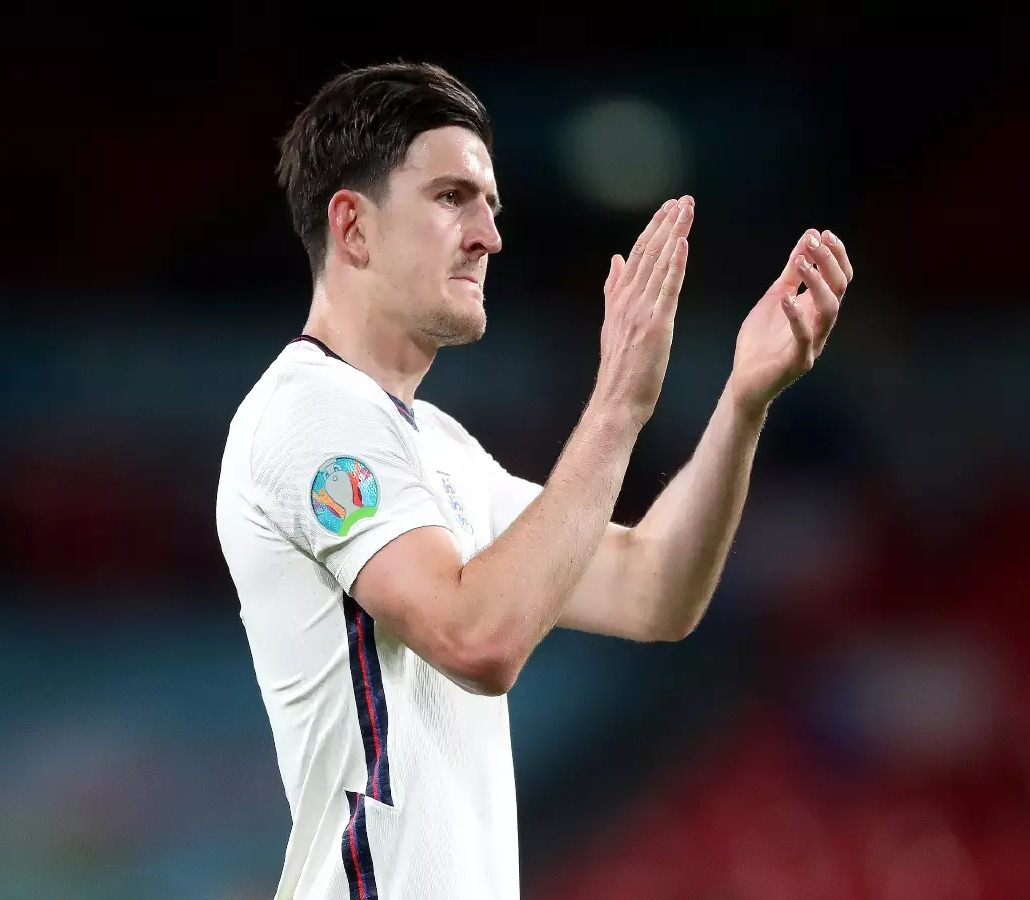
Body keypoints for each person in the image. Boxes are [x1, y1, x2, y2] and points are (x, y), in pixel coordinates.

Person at [215, 61, 852, 900]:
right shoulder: (310, 414)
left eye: (491, 206)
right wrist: (620, 401)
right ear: (354, 227)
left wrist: (742, 402)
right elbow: (478, 640)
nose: (489, 235)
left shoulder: (435, 448)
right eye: (451, 198)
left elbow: (654, 590)